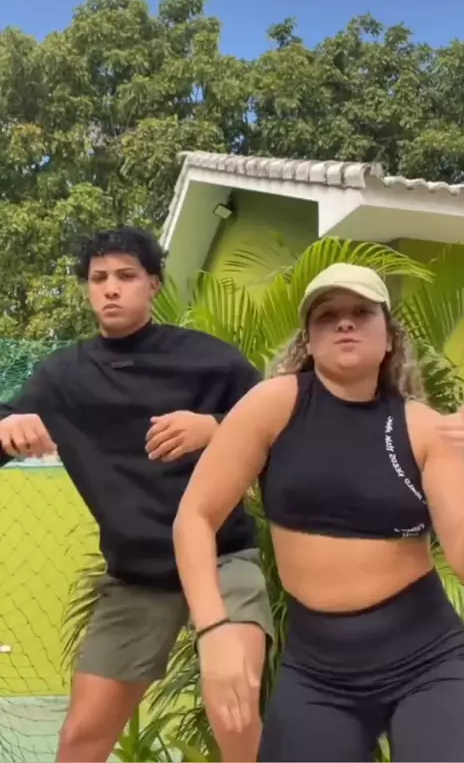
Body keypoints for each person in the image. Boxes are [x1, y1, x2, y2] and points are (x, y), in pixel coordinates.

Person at [173, 262, 464, 763]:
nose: (345, 322)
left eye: (361, 312)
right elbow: (195, 517)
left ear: (389, 339)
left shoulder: (424, 430)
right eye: (327, 316)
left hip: (427, 660)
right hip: (319, 671)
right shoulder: (274, 406)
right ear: (310, 343)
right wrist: (213, 630)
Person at [0, 227, 273, 763]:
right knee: (80, 737)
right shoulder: (62, 377)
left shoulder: (209, 360)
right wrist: (8, 425)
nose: (111, 288)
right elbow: (11, 426)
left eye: (126, 276)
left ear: (153, 284)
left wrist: (217, 428)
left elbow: (283, 425)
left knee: (234, 709)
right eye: (98, 278)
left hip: (223, 558)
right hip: (137, 576)